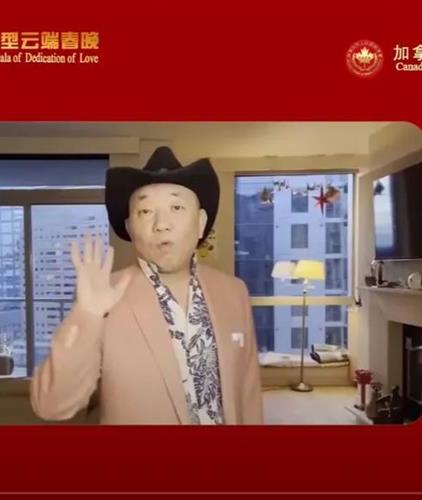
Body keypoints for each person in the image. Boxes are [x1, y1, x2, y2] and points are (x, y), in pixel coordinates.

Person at [30, 146, 263, 424]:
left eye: (176, 207)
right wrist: (87, 314)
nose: (161, 224)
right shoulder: (104, 297)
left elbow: (248, 395)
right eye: (145, 211)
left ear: (201, 223)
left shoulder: (233, 291)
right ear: (130, 228)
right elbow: (52, 406)